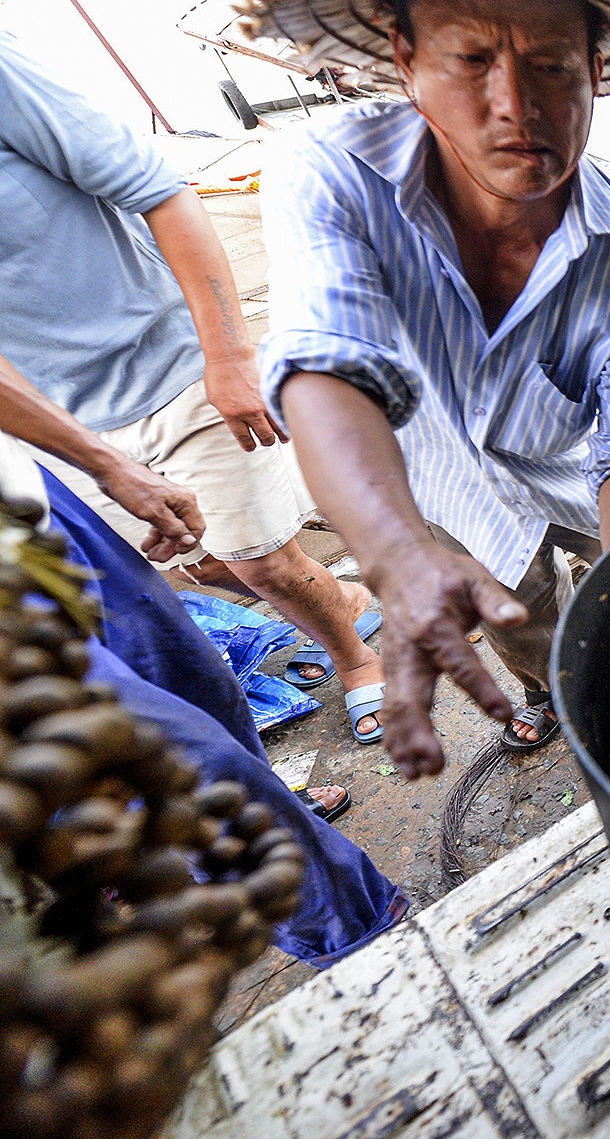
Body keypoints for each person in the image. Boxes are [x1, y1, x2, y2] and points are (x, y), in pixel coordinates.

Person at [244, 0, 610, 777]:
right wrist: (395, 552)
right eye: (471, 60)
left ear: (595, 68)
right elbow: (327, 365)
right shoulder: (333, 173)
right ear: (405, 59)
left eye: (550, 66)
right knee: (518, 615)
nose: (515, 105)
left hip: (576, 480)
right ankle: (548, 696)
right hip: (436, 484)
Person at [0, 31, 386, 735]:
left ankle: (357, 657)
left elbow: (163, 191)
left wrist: (231, 356)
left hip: (175, 367)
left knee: (264, 562)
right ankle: (348, 600)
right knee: (192, 566)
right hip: (55, 423)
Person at [0, 406, 403, 965]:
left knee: (195, 685)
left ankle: (275, 813)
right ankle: (366, 943)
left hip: (27, 508)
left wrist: (102, 462)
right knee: (181, 767)